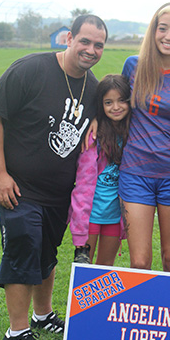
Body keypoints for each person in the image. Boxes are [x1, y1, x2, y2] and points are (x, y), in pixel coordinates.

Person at [0, 14, 108, 340]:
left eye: (98, 45)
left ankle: (43, 315)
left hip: (58, 191)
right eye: (85, 41)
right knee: (24, 243)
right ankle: (16, 332)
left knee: (46, 251)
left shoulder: (94, 88)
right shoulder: (30, 70)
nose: (91, 50)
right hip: (16, 184)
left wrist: (97, 117)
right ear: (68, 38)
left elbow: (107, 115)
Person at [118, 2, 170, 273]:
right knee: (140, 262)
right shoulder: (133, 66)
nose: (169, 36)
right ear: (153, 31)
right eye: (163, 28)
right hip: (135, 173)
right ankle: (138, 316)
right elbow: (116, 109)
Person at [68, 74, 131, 265]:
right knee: (84, 271)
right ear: (100, 105)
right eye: (108, 102)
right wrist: (79, 227)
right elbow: (83, 184)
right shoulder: (94, 136)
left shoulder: (132, 132)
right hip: (90, 216)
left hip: (114, 216)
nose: (116, 107)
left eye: (122, 101)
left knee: (105, 270)